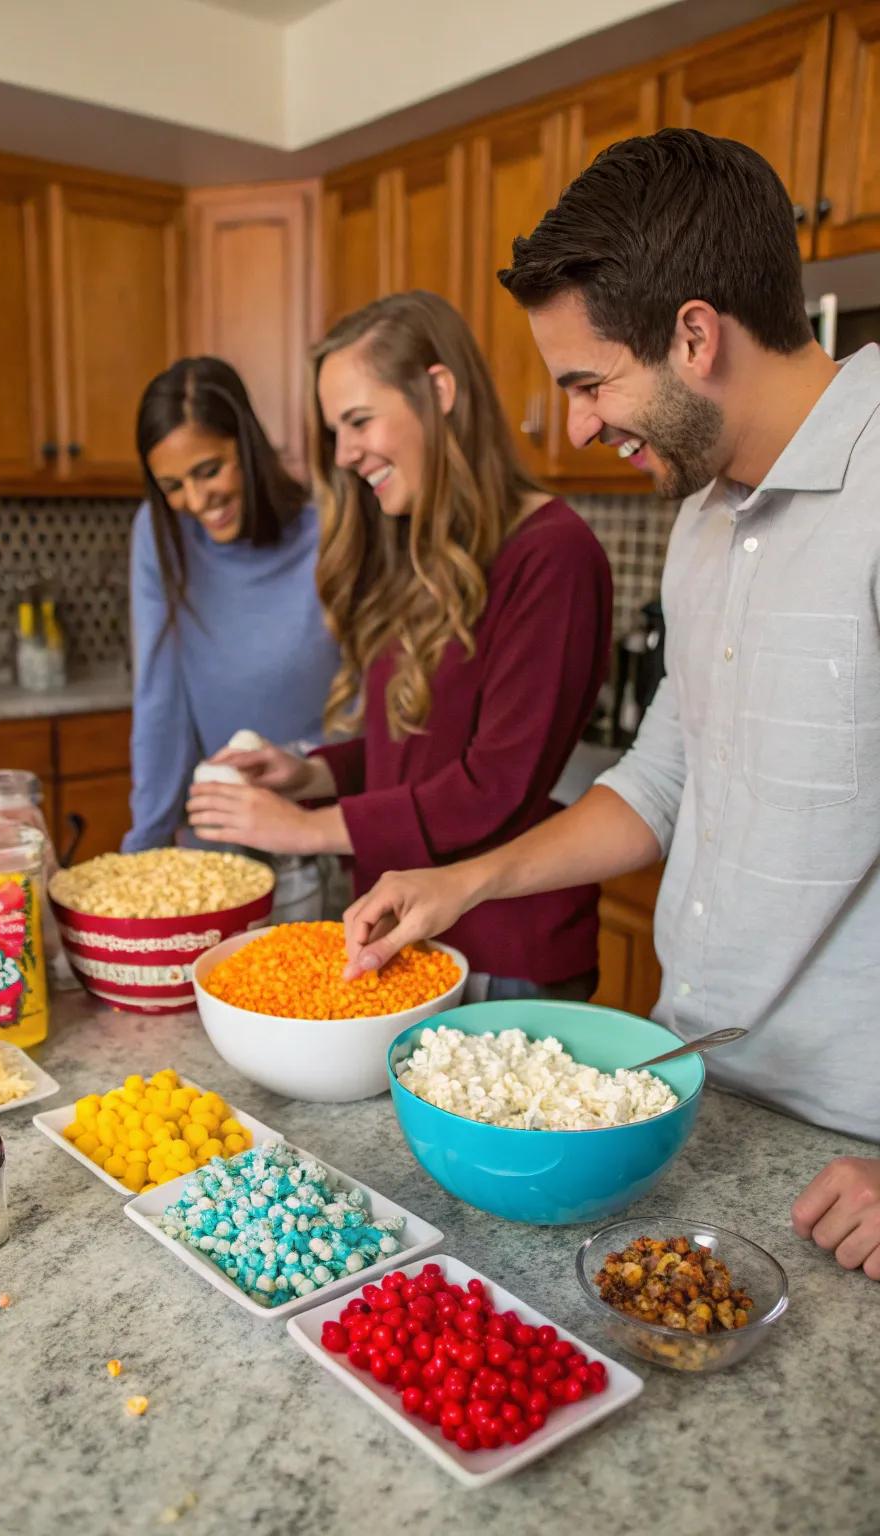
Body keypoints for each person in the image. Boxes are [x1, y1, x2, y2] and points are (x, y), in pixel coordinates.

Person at [340, 131, 880, 1280]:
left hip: (854, 1166)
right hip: (694, 1094)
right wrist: (462, 880)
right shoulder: (701, 519)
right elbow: (663, 779)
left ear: (695, 335)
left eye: (590, 382)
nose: (577, 424)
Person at [188, 290, 613, 1000]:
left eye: (358, 421)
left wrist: (305, 830)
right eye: (336, 431)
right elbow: (417, 748)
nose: (345, 453)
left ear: (438, 392)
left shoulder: (554, 555)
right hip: (415, 943)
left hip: (507, 960)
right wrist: (311, 776)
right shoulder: (431, 550)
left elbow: (494, 788)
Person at [123, 357, 338, 853]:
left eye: (209, 470)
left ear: (247, 444)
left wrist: (306, 770)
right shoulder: (160, 537)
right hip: (217, 837)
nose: (197, 502)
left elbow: (366, 704)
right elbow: (160, 700)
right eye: (173, 487)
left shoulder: (327, 532)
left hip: (320, 830)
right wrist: (144, 852)